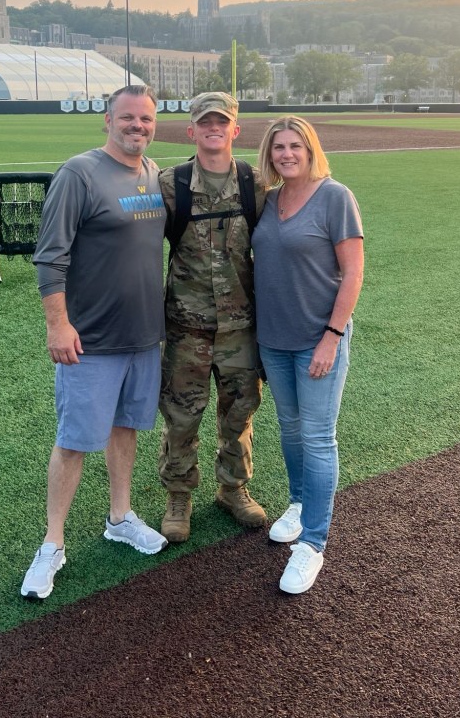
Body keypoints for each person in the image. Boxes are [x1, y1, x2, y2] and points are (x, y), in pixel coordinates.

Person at [21, 85, 168, 600]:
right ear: (107, 120)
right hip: (91, 341)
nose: (137, 126)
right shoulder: (79, 173)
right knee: (74, 440)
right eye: (127, 117)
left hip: (143, 337)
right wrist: (57, 324)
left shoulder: (153, 173)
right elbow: (50, 256)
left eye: (145, 119)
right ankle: (52, 544)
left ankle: (120, 517)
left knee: (125, 429)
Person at [252, 116, 364, 594]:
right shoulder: (269, 200)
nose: (287, 154)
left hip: (318, 339)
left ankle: (313, 543)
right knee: (290, 427)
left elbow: (353, 272)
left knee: (318, 437)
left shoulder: (335, 197)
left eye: (295, 145)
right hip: (273, 339)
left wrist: (332, 336)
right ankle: (298, 504)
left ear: (311, 149)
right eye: (279, 147)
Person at [158, 91, 267, 542]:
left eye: (222, 121)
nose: (214, 128)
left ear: (235, 129)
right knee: (181, 416)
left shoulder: (255, 184)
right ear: (192, 130)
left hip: (240, 327)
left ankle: (232, 488)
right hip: (186, 327)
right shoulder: (172, 184)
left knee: (239, 413)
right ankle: (178, 496)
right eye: (205, 122)